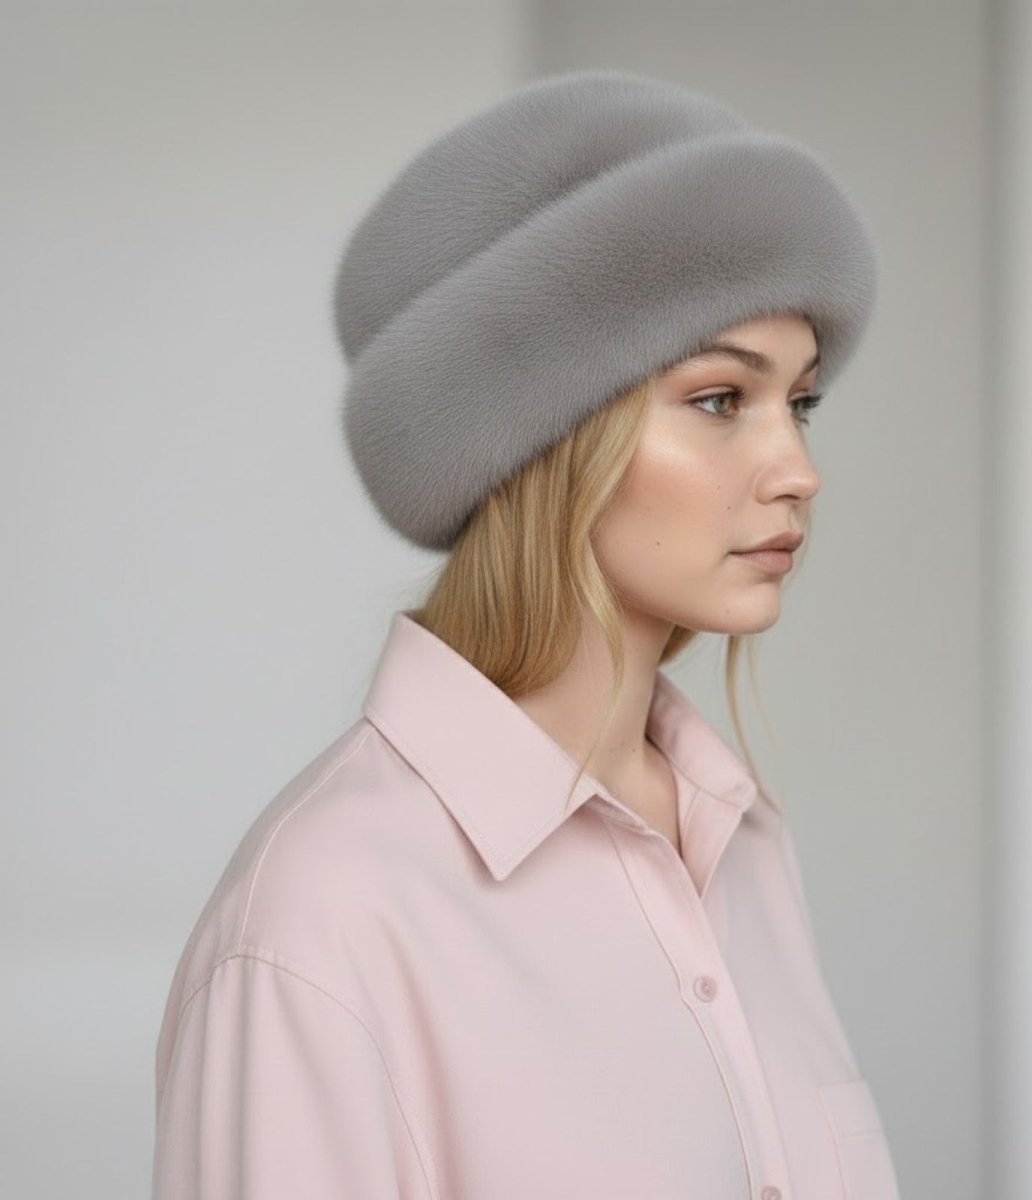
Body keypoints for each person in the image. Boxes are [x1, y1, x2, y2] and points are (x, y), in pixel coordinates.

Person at [151, 68, 902, 1199]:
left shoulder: (736, 839)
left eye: (798, 402)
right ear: (543, 436)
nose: (798, 471)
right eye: (719, 400)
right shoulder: (321, 924)